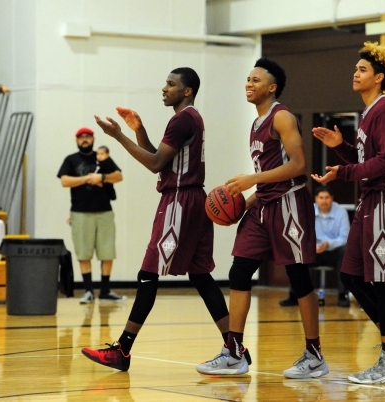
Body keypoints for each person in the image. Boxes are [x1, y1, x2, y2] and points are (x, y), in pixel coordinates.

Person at [83, 67, 234, 372]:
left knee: (148, 273)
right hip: (195, 200)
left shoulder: (181, 119)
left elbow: (154, 165)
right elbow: (163, 160)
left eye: (171, 84)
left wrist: (118, 136)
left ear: (187, 90)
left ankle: (122, 350)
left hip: (179, 201)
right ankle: (234, 346)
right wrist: (138, 130)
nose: (164, 88)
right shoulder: (191, 118)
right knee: (202, 276)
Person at [195, 58, 329, 379]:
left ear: (272, 87)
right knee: (239, 271)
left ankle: (314, 354)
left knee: (298, 279)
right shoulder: (255, 123)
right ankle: (234, 351)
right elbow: (266, 175)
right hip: (263, 206)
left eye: (256, 80)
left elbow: (298, 165)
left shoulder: (281, 117)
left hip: (289, 204)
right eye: (247, 78)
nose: (248, 83)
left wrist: (251, 182)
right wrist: (246, 202)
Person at [311, 42, 385, 384]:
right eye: (355, 69)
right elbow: (365, 161)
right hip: (371, 202)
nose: (355, 74)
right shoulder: (369, 113)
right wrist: (339, 148)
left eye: (362, 70)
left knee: (383, 283)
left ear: (379, 77)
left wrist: (342, 173)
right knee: (352, 277)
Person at [57, 127, 124, 304]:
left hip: (104, 212)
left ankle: (105, 291)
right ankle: (88, 292)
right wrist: (87, 179)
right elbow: (64, 181)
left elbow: (118, 176)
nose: (85, 140)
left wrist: (101, 177)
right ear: (77, 140)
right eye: (81, 137)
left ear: (93, 139)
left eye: (88, 137)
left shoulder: (102, 156)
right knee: (84, 253)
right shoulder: (71, 160)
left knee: (107, 252)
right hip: (80, 214)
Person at [278, 185, 350, 307]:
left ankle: (343, 295)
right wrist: (312, 246)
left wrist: (328, 244)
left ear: (332, 198)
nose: (324, 201)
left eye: (327, 197)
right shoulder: (308, 210)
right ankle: (293, 295)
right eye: (321, 197)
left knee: (345, 252)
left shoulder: (341, 212)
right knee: (297, 253)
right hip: (313, 251)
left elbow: (345, 238)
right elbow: (303, 233)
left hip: (334, 251)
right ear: (316, 198)